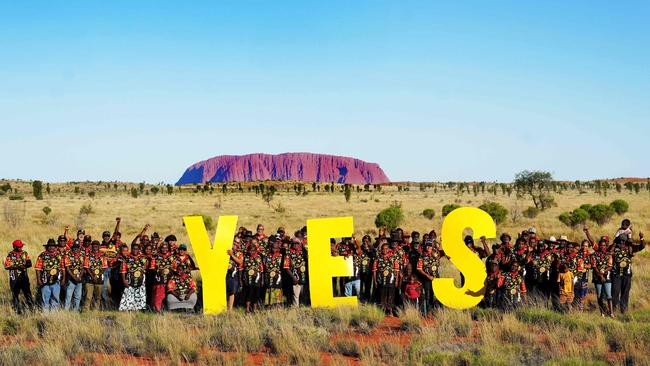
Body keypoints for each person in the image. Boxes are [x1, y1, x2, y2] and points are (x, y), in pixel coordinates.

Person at [610, 232, 645, 314]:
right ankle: (614, 310)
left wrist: (641, 238)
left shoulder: (630, 248)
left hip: (627, 274)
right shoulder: (614, 248)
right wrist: (615, 243)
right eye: (620, 241)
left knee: (625, 293)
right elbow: (607, 251)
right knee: (615, 292)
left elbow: (641, 246)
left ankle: (623, 311)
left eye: (624, 241)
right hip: (616, 274)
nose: (622, 242)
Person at [4, 240, 34, 314]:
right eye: (19, 247)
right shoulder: (10, 255)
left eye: (21, 246)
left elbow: (29, 263)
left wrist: (25, 265)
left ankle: (32, 309)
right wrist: (17, 266)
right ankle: (17, 310)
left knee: (27, 293)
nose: (21, 247)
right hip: (14, 278)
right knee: (15, 294)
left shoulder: (25, 253)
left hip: (24, 277)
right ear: (14, 247)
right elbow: (7, 266)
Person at [35, 239, 65, 311]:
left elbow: (62, 268)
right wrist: (38, 279)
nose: (51, 247)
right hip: (45, 281)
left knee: (55, 299)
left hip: (56, 281)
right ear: (47, 247)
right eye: (50, 246)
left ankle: (53, 316)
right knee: (45, 299)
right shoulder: (42, 255)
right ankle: (46, 315)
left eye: (53, 246)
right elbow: (38, 268)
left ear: (55, 247)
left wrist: (63, 279)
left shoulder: (59, 255)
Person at [119, 243, 148, 311]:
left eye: (137, 249)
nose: (135, 250)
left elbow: (145, 268)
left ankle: (139, 309)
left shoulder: (143, 258)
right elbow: (123, 271)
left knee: (140, 294)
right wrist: (124, 280)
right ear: (131, 249)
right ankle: (127, 309)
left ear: (139, 250)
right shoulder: (127, 258)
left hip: (140, 280)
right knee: (128, 294)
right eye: (134, 249)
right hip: (130, 280)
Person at [373, 242, 400, 316]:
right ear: (381, 250)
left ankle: (390, 311)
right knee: (382, 295)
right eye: (383, 249)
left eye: (386, 249)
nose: (384, 250)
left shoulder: (393, 258)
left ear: (388, 249)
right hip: (381, 280)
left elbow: (396, 270)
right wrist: (375, 281)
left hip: (391, 280)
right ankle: (383, 312)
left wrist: (397, 280)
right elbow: (374, 271)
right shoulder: (378, 258)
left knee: (391, 295)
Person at [416, 241, 441, 315]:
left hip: (436, 278)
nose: (428, 247)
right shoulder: (422, 256)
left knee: (437, 295)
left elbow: (441, 254)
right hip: (427, 279)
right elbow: (419, 268)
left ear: (432, 247)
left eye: (429, 246)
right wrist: (427, 276)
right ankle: (428, 311)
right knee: (428, 295)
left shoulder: (436, 254)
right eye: (427, 246)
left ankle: (436, 310)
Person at [591, 238, 613, 317]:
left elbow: (610, 266)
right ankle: (602, 312)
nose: (602, 247)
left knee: (609, 296)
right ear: (599, 246)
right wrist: (600, 275)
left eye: (604, 245)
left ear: (606, 246)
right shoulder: (594, 255)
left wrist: (604, 272)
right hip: (597, 278)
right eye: (601, 245)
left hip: (607, 277)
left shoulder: (608, 255)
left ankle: (611, 313)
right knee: (599, 296)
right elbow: (594, 266)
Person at [150, 242, 176, 312]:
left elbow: (175, 268)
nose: (164, 249)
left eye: (166, 248)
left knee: (169, 294)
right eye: (163, 248)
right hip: (159, 279)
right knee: (158, 295)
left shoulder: (172, 256)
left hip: (169, 279)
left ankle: (169, 309)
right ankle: (157, 309)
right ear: (160, 248)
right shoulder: (155, 256)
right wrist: (158, 271)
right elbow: (152, 268)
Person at [82, 240, 108, 311]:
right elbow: (86, 266)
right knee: (88, 296)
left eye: (97, 246)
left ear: (99, 247)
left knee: (98, 297)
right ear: (91, 246)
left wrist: (97, 276)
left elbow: (104, 267)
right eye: (94, 246)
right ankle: (85, 311)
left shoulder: (103, 255)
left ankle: (95, 310)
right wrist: (92, 276)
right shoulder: (87, 255)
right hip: (89, 279)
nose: (95, 247)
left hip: (99, 279)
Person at [283, 238, 307, 307]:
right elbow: (286, 267)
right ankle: (295, 309)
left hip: (304, 276)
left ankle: (303, 307)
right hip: (294, 277)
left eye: (297, 243)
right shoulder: (288, 253)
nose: (295, 245)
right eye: (294, 243)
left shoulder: (303, 252)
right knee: (295, 295)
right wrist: (293, 278)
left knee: (303, 294)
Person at [242, 241, 264, 312]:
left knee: (256, 293)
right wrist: (243, 277)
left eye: (253, 251)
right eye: (250, 250)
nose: (251, 252)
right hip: (248, 278)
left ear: (255, 251)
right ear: (248, 250)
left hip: (257, 278)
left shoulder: (258, 257)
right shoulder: (246, 257)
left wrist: (262, 280)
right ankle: (247, 309)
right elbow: (244, 268)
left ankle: (254, 309)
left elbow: (261, 269)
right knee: (249, 293)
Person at [63, 241, 85, 311]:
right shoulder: (68, 255)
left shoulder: (82, 255)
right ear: (72, 247)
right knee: (68, 295)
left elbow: (83, 267)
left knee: (78, 296)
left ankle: (76, 310)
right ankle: (66, 310)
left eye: (77, 247)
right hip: (70, 278)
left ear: (79, 248)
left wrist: (79, 277)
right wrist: (74, 277)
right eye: (75, 247)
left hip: (79, 278)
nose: (76, 249)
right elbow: (67, 268)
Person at [263, 237, 284, 307]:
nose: (274, 250)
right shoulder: (266, 256)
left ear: (278, 248)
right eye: (273, 248)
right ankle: (269, 305)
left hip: (277, 277)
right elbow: (264, 265)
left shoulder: (281, 256)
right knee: (269, 289)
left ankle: (277, 305)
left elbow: (281, 267)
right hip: (268, 276)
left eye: (276, 248)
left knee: (277, 289)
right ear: (270, 248)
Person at [226, 239, 244, 311]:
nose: (236, 244)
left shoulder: (239, 253)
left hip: (233, 274)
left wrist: (232, 255)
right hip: (224, 273)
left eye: (238, 243)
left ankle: (229, 309)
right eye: (235, 242)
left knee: (232, 291)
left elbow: (240, 262)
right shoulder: (226, 251)